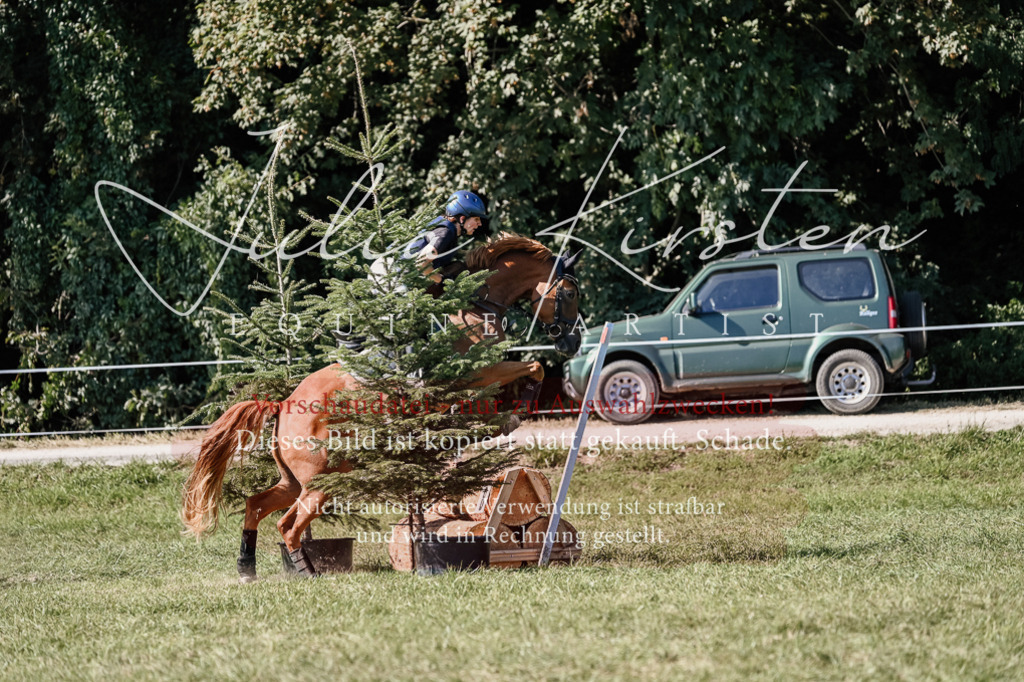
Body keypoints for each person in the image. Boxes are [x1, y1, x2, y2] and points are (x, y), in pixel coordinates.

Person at [408, 190, 488, 284]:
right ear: (462, 219)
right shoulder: (445, 233)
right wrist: (441, 280)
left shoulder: (446, 228)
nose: (480, 224)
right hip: (397, 280)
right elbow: (421, 262)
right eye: (476, 219)